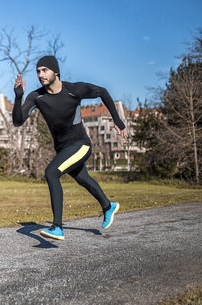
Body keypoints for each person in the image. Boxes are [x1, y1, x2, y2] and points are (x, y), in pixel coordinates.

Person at [12, 55, 127, 240]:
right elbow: (18, 121)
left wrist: (117, 120)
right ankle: (108, 206)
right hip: (63, 149)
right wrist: (18, 97)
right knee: (83, 179)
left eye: (44, 70)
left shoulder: (74, 90)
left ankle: (57, 227)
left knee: (51, 173)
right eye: (38, 71)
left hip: (80, 145)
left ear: (56, 71)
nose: (40, 74)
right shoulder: (37, 97)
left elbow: (102, 91)